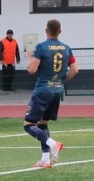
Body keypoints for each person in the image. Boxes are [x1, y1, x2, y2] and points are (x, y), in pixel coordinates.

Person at [24, 19, 78, 168]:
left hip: (42, 90)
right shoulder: (66, 48)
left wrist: (29, 58)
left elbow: (31, 70)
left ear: (46, 31)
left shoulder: (41, 47)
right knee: (42, 123)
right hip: (56, 91)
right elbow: (75, 70)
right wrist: (62, 81)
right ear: (59, 31)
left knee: (28, 125)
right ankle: (45, 159)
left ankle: (53, 144)